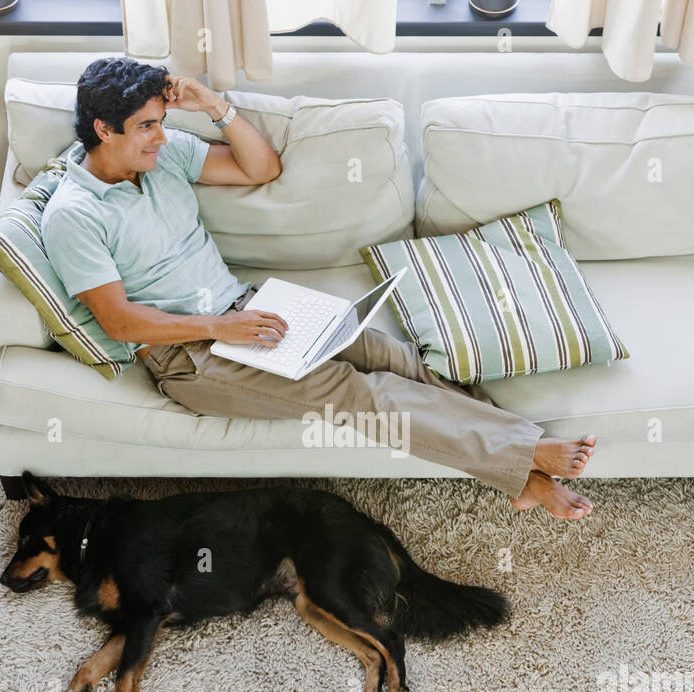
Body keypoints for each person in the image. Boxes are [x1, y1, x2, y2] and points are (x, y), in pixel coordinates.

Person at [41, 58, 597, 519]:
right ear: (102, 129)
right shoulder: (74, 215)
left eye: (162, 121)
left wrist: (215, 108)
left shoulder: (161, 158)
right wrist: (220, 327)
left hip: (249, 310)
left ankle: (520, 467)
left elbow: (260, 169)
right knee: (356, 391)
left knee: (389, 355)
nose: (161, 135)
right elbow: (118, 322)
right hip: (190, 355)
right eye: (146, 126)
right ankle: (524, 457)